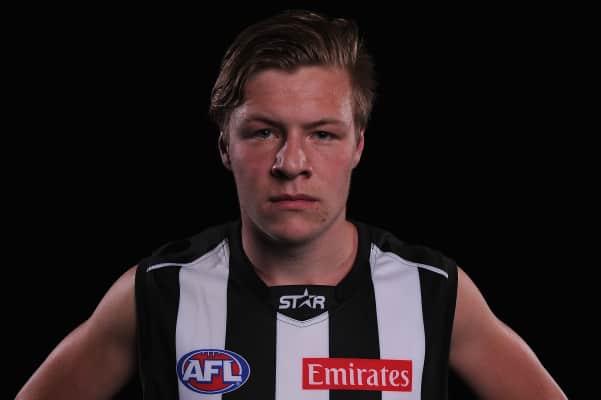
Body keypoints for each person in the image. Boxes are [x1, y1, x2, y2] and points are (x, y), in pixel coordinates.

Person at [17, 9, 567, 400]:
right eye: (263, 132)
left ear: (358, 145)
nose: (291, 162)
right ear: (225, 147)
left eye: (322, 134)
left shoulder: (433, 290)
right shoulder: (160, 291)